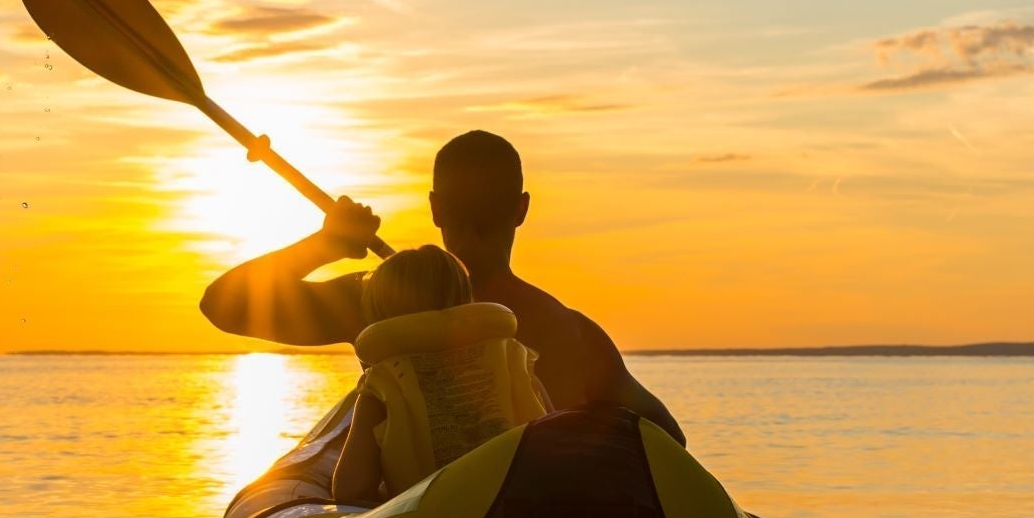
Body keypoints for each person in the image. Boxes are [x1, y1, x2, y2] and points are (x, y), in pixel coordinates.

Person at [200, 130, 685, 444]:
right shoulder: (574, 335)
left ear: (434, 208)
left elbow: (223, 304)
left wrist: (326, 244)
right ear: (521, 209)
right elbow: (668, 437)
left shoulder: (376, 300)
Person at [331, 243, 549, 503]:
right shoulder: (515, 360)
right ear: (467, 301)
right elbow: (556, 439)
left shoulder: (381, 388)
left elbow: (350, 489)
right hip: (521, 512)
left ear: (377, 316)